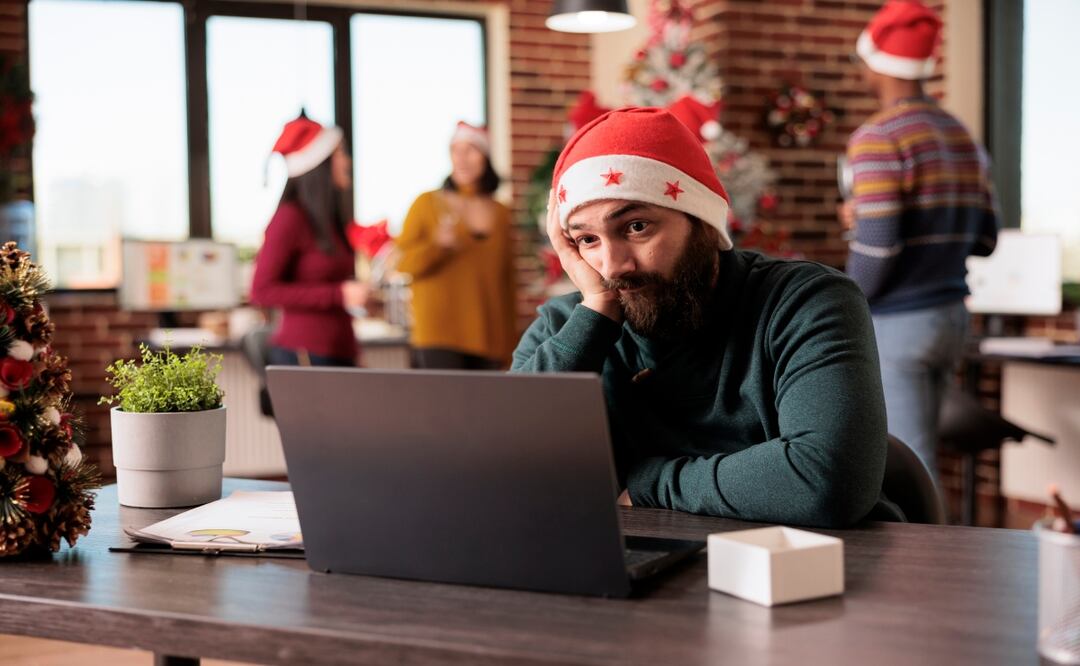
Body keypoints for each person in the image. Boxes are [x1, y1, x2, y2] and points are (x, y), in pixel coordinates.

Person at [512, 107, 898, 528]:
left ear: (704, 223)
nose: (612, 265)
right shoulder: (570, 324)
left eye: (637, 226)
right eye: (587, 239)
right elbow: (498, 467)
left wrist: (649, 484)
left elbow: (828, 479)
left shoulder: (805, 302)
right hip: (639, 577)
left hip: (811, 571)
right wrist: (598, 311)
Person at [841, 0, 999, 479]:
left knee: (911, 464)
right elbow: (986, 238)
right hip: (951, 318)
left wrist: (846, 300)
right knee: (923, 453)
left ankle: (927, 557)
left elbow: (880, 245)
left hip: (899, 323)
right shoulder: (962, 136)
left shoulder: (878, 138)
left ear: (876, 62)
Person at [251, 113, 369, 367]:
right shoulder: (290, 218)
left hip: (341, 351)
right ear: (321, 164)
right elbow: (262, 290)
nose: (347, 161)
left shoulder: (329, 221)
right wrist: (338, 294)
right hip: (304, 356)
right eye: (340, 154)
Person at [397, 122, 517, 370]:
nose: (462, 158)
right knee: (442, 408)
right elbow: (403, 263)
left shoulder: (502, 213)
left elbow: (507, 283)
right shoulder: (427, 203)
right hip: (438, 334)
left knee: (487, 409)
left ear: (485, 156)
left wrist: (510, 344)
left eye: (470, 149)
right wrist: (437, 245)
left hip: (489, 337)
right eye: (455, 150)